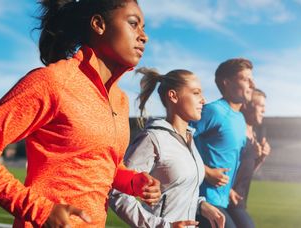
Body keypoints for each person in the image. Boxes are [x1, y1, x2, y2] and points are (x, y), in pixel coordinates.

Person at [0, 1, 162, 227]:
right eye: (134, 24)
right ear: (98, 24)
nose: (143, 36)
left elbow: (102, 166)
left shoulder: (121, 101)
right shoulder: (53, 82)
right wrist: (40, 210)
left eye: (144, 28)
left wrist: (132, 182)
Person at [110, 67, 225, 228]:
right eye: (196, 93)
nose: (203, 100)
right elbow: (117, 193)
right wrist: (162, 226)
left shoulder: (189, 138)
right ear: (173, 96)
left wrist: (200, 205)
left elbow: (176, 189)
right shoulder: (153, 138)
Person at [190, 58, 255, 228]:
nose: (252, 84)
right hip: (202, 199)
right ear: (226, 82)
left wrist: (230, 190)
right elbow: (179, 139)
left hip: (223, 199)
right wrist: (206, 171)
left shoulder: (240, 118)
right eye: (245, 79)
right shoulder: (214, 111)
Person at [228, 89, 271, 228]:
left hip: (239, 202)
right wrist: (226, 189)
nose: (264, 110)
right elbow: (216, 163)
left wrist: (261, 158)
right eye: (261, 105)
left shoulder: (253, 135)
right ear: (246, 105)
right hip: (224, 200)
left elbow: (246, 172)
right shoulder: (234, 131)